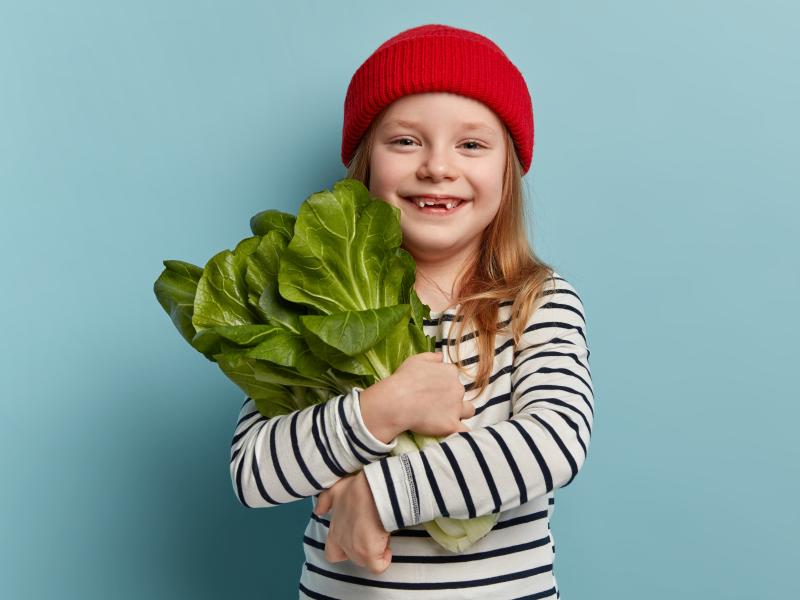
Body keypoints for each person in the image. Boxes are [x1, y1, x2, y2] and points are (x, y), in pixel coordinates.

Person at [229, 23, 594, 599]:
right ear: (365, 163)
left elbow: (553, 441)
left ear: (508, 170)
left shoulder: (535, 300)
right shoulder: (310, 312)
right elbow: (253, 473)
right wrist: (381, 409)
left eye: (471, 144)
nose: (437, 167)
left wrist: (380, 491)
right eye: (405, 141)